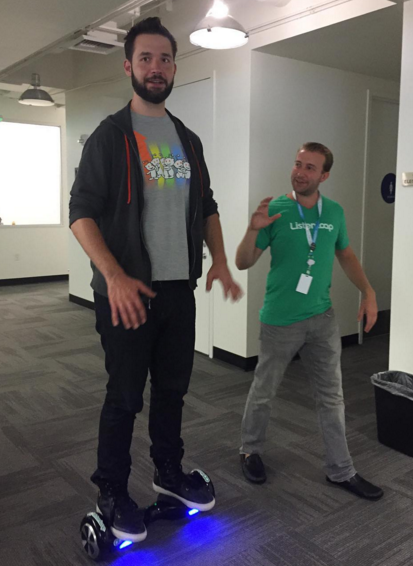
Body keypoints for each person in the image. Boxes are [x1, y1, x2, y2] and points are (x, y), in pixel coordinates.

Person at [69, 17, 242, 542]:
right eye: (145, 58)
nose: (156, 67)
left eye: (164, 58)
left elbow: (206, 206)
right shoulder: (111, 136)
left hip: (177, 290)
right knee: (124, 397)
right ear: (128, 66)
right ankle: (112, 490)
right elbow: (81, 212)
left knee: (172, 391)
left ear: (173, 66)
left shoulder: (186, 139)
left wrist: (218, 259)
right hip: (126, 295)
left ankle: (168, 473)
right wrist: (114, 276)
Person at [235, 142, 383, 501]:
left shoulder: (333, 212)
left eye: (310, 168)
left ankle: (341, 470)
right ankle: (250, 449)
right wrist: (253, 229)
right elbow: (243, 262)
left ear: (325, 175)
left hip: (322, 319)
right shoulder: (276, 210)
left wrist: (368, 292)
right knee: (264, 390)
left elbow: (345, 254)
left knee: (332, 397)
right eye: (298, 164)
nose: (300, 172)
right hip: (280, 321)